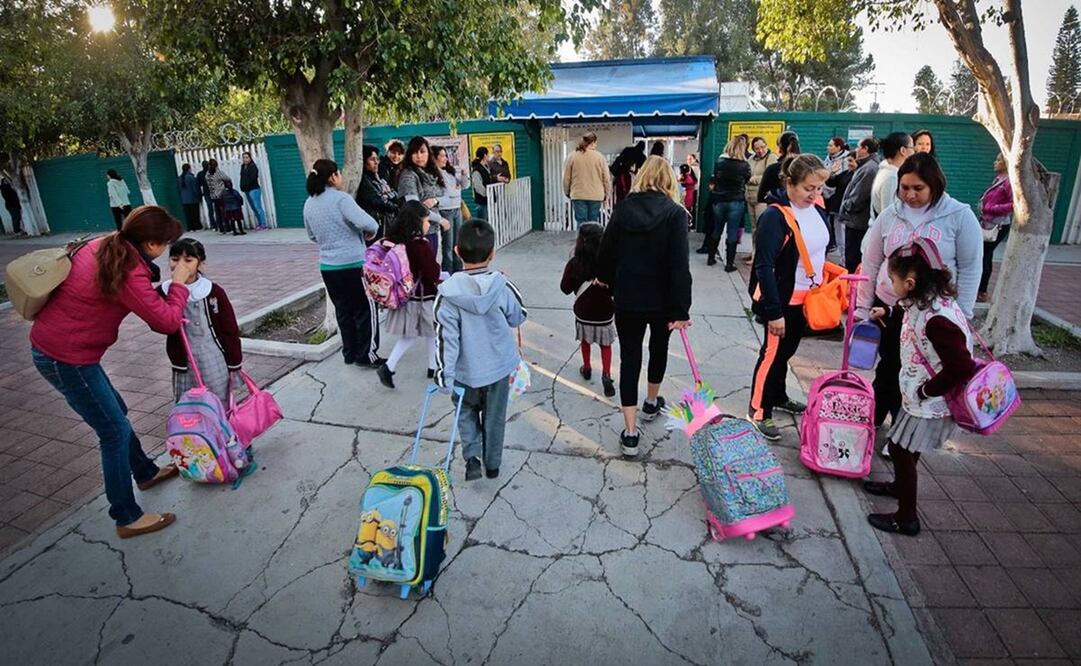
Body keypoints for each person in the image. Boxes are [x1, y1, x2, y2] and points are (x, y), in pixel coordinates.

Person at [30, 206, 194, 538]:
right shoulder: (129, 268)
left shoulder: (104, 245)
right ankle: (126, 516)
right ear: (150, 244)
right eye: (164, 244)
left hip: (65, 351)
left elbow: (138, 297)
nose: (165, 252)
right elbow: (165, 321)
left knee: (115, 413)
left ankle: (145, 472)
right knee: (113, 431)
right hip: (66, 358)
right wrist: (178, 283)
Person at [856, 153, 983, 434]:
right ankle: (872, 424)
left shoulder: (959, 216)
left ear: (935, 185)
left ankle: (904, 434)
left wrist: (962, 313)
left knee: (921, 372)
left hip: (933, 315)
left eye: (918, 188)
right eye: (905, 188)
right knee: (890, 367)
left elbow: (972, 267)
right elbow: (871, 259)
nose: (910, 195)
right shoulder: (891, 215)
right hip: (890, 307)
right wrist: (862, 307)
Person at [863, 238, 976, 536]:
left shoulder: (939, 320)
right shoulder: (927, 298)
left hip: (929, 400)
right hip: (919, 394)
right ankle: (899, 486)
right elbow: (907, 313)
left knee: (900, 449)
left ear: (910, 282)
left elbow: (962, 366)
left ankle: (907, 517)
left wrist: (927, 391)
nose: (890, 284)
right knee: (906, 448)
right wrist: (886, 313)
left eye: (893, 279)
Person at [596, 156, 692, 459]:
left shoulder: (623, 209)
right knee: (659, 349)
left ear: (642, 177)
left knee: (630, 359)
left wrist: (606, 281)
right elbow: (680, 265)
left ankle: (630, 431)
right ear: (669, 182)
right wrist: (681, 309)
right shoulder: (676, 214)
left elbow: (606, 252)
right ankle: (651, 401)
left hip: (628, 297)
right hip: (663, 301)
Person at [434, 219, 527, 481]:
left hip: (465, 373)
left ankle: (472, 456)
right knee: (494, 418)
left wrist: (444, 374)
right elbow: (517, 317)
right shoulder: (502, 286)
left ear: (457, 252)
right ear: (493, 253)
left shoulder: (447, 295)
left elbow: (445, 338)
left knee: (465, 412)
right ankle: (493, 464)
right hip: (498, 370)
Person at [746, 155, 831, 441]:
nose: (815, 194)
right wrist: (774, 312)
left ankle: (779, 395)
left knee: (785, 353)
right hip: (782, 301)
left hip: (807, 300)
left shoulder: (817, 208)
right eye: (809, 187)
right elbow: (764, 266)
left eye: (819, 187)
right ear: (789, 183)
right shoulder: (774, 216)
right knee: (771, 355)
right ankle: (758, 409)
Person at [303, 158, 382, 368]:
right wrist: (367, 232)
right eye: (338, 173)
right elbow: (369, 223)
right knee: (365, 309)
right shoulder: (341, 199)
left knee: (344, 310)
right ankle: (367, 355)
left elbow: (311, 235)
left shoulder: (309, 203)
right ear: (332, 177)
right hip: (353, 264)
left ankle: (350, 353)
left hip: (328, 267)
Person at [158, 239, 242, 404]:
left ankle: (220, 428)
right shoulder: (163, 292)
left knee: (218, 400)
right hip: (185, 361)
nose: (181, 266)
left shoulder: (213, 291)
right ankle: (193, 429)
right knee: (189, 402)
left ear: (201, 263)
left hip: (213, 356)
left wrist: (234, 361)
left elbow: (229, 328)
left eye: (188, 260)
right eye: (175, 260)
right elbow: (158, 323)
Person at [376, 201, 442, 389]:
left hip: (408, 293)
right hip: (423, 296)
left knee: (426, 332)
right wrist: (439, 272)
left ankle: (432, 367)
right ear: (417, 221)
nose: (429, 224)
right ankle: (389, 367)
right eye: (426, 220)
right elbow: (433, 272)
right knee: (420, 333)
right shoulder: (420, 244)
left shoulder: (398, 240)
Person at [560, 223, 617, 398]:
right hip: (604, 311)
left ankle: (587, 367)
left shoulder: (574, 263)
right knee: (605, 345)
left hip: (583, 311)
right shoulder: (609, 262)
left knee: (585, 341)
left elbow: (565, 288)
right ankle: (606, 373)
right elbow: (617, 288)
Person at [702, 138, 751, 271]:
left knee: (716, 229)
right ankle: (729, 264)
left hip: (720, 199)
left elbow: (716, 178)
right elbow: (747, 179)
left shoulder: (720, 162)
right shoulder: (744, 165)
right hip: (736, 200)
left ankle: (711, 258)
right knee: (732, 232)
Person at [397, 136, 450, 257]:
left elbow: (447, 198)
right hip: (417, 232)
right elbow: (413, 206)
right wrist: (440, 219)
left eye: (422, 151)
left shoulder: (432, 173)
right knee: (422, 272)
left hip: (432, 230)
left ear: (428, 153)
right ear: (409, 155)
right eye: (415, 152)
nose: (419, 156)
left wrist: (436, 201)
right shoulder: (408, 175)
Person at [837, 136, 881, 272]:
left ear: (865, 149)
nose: (855, 150)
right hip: (856, 220)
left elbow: (858, 197)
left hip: (857, 222)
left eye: (858, 146)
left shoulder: (869, 169)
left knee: (853, 259)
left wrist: (846, 207)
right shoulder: (867, 166)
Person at [978, 153, 1013, 302]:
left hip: (997, 224)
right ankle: (981, 290)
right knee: (986, 255)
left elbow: (1014, 204)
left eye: (998, 160)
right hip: (989, 222)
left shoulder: (1008, 182)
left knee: (984, 255)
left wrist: (990, 208)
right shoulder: (1000, 179)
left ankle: (982, 290)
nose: (995, 162)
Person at [562, 132, 611, 227]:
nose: (596, 145)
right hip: (596, 195)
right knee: (593, 221)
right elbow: (606, 178)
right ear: (592, 143)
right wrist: (606, 194)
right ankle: (592, 241)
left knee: (581, 221)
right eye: (596, 143)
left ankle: (581, 241)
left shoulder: (572, 156)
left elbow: (566, 177)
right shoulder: (600, 157)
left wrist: (567, 192)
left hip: (578, 194)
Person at [355, 144, 400, 239]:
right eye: (372, 159)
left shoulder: (377, 178)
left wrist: (388, 196)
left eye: (377, 159)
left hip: (382, 225)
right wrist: (398, 208)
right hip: (371, 229)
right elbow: (378, 201)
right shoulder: (363, 180)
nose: (376, 162)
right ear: (363, 161)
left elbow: (395, 193)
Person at [871, 131, 915, 219]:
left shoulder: (887, 171)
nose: (914, 151)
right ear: (903, 150)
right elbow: (889, 216)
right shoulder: (892, 177)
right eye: (912, 147)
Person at [433, 146, 464, 273]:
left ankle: (458, 271)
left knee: (457, 244)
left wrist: (464, 176)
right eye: (442, 155)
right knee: (448, 245)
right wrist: (456, 190)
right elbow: (451, 192)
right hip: (446, 211)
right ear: (435, 157)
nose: (445, 158)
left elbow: (463, 186)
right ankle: (448, 273)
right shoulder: (435, 174)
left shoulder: (449, 172)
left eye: (446, 155)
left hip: (457, 209)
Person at [745, 137, 778, 252]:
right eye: (757, 148)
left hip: (762, 199)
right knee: (754, 228)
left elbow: (768, 176)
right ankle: (754, 252)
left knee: (762, 228)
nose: (760, 150)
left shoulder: (772, 158)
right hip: (750, 197)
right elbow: (746, 173)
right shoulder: (751, 159)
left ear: (766, 145)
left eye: (762, 147)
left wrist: (753, 179)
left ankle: (760, 254)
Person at [825, 153, 859, 258]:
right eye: (848, 161)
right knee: (839, 237)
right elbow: (832, 182)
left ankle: (845, 259)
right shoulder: (846, 173)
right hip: (838, 209)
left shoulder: (859, 175)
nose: (849, 164)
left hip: (848, 211)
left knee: (845, 238)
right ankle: (842, 259)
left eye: (851, 161)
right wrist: (831, 173)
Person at [756, 131, 800, 206]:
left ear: (780, 148)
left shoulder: (773, 169)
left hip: (778, 211)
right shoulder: (806, 167)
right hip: (802, 211)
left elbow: (761, 196)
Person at [822, 138, 850, 250]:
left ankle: (834, 244)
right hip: (825, 192)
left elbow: (841, 179)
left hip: (836, 195)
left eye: (831, 145)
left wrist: (830, 174)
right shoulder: (828, 158)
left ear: (839, 147)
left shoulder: (846, 160)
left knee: (836, 223)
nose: (828, 147)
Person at [239, 152, 269, 231]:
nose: (245, 159)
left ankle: (263, 224)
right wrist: (242, 186)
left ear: (250, 158)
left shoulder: (252, 166)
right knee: (253, 207)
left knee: (258, 207)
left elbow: (253, 178)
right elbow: (242, 178)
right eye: (244, 157)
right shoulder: (243, 167)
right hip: (247, 190)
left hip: (254, 189)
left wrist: (246, 185)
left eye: (247, 157)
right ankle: (259, 223)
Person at [205, 159, 229, 232]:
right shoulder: (218, 173)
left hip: (213, 195)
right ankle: (227, 226)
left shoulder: (207, 175)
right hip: (221, 194)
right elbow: (227, 178)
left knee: (217, 212)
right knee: (224, 211)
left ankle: (220, 227)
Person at [470, 147, 494, 220]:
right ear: (484, 155)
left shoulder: (486, 167)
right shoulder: (477, 170)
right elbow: (478, 187)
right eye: (488, 154)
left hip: (488, 201)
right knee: (483, 223)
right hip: (482, 202)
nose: (489, 156)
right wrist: (488, 194)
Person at [177, 164, 201, 232]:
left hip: (184, 200)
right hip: (193, 199)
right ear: (189, 169)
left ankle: (189, 227)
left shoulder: (179, 178)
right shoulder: (191, 177)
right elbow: (195, 189)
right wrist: (198, 196)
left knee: (188, 214)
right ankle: (196, 227)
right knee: (195, 214)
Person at [196, 161, 218, 231]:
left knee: (210, 209)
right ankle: (219, 223)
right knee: (217, 209)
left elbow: (198, 185)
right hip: (214, 192)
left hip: (206, 193)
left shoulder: (200, 174)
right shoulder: (212, 172)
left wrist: (200, 194)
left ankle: (213, 225)